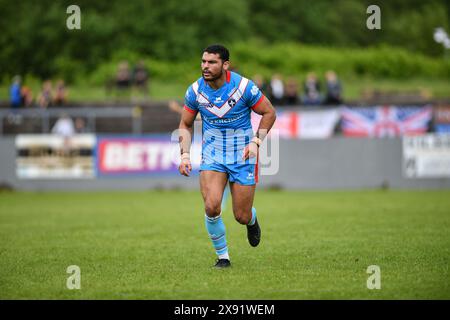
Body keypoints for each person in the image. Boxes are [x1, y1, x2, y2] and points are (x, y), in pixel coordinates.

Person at [178, 44, 277, 268]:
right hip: (212, 155)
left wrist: (256, 142)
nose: (205, 66)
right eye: (203, 61)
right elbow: (185, 123)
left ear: (225, 64)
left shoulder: (243, 87)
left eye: (211, 62)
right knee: (211, 206)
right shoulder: (195, 91)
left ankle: (251, 220)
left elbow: (269, 112)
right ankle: (223, 257)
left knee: (240, 215)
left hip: (243, 155)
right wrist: (185, 155)